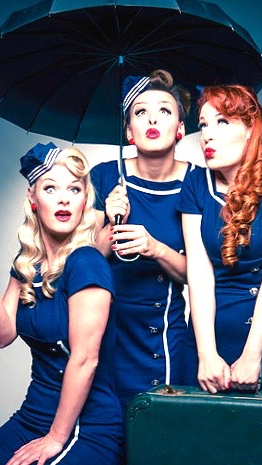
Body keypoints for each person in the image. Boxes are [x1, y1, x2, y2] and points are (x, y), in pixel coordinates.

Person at [0, 143, 123, 465]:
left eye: (74, 189)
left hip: (83, 427)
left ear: (85, 199)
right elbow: (3, 335)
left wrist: (55, 438)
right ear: (33, 198)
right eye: (51, 188)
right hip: (33, 417)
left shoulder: (87, 262)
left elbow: (85, 360)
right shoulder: (28, 264)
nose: (63, 198)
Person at [177, 85, 262, 394]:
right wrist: (206, 355)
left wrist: (252, 356)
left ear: (251, 128)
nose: (207, 135)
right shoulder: (196, 183)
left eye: (222, 122)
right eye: (203, 124)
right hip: (204, 348)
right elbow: (198, 275)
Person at [91, 69, 194, 410]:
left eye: (164, 110)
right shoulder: (104, 176)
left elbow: (202, 276)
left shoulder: (197, 183)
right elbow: (81, 265)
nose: (152, 119)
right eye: (140, 112)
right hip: (106, 330)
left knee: (160, 430)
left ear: (180, 128)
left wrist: (155, 248)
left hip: (163, 336)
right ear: (128, 131)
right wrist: (109, 222)